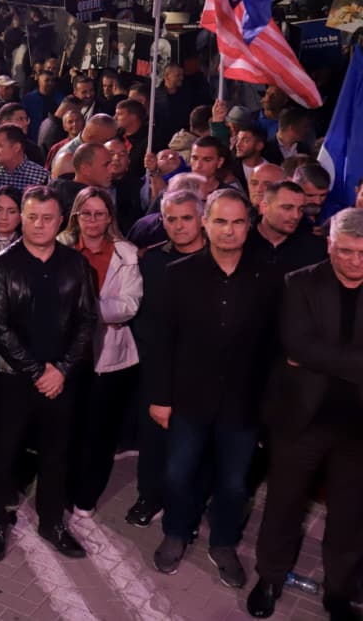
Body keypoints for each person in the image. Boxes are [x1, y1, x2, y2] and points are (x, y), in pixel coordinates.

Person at [150, 189, 282, 589]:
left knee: (233, 483)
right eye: (220, 221)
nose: (229, 230)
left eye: (238, 222)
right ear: (205, 223)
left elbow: (275, 348)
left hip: (243, 403)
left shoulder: (268, 277)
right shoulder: (178, 274)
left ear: (249, 225)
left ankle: (223, 543)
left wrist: (269, 407)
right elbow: (162, 341)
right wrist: (160, 396)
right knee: (176, 475)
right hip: (188, 398)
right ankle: (176, 531)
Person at [247, 208, 363, 621]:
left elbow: (312, 353)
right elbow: (297, 346)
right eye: (346, 251)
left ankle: (338, 592)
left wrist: (320, 358)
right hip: (302, 420)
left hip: (358, 429)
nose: (355, 261)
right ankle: (270, 578)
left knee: (351, 515)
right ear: (329, 244)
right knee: (283, 505)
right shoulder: (301, 283)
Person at [0, 186, 97, 562]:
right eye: (31, 216)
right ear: (21, 217)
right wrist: (36, 372)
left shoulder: (75, 264)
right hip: (12, 379)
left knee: (56, 455)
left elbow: (87, 321)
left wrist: (61, 370)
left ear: (61, 220)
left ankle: (52, 522)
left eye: (47, 218)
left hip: (61, 380)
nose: (38, 225)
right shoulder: (2, 264)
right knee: (3, 452)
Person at [57, 187, 142, 516]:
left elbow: (129, 305)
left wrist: (83, 309)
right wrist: (101, 312)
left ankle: (86, 497)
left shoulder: (126, 253)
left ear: (110, 217)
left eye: (99, 213)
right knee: (66, 429)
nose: (92, 220)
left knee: (100, 433)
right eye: (86, 213)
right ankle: (61, 491)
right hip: (67, 357)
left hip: (110, 360)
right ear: (75, 216)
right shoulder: (60, 247)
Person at [126, 190, 207, 528]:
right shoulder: (153, 260)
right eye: (170, 219)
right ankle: (149, 495)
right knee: (153, 437)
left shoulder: (221, 260)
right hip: (157, 364)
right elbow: (142, 314)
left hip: (203, 370)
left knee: (196, 442)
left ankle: (189, 502)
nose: (178, 226)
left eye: (186, 218)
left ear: (202, 218)